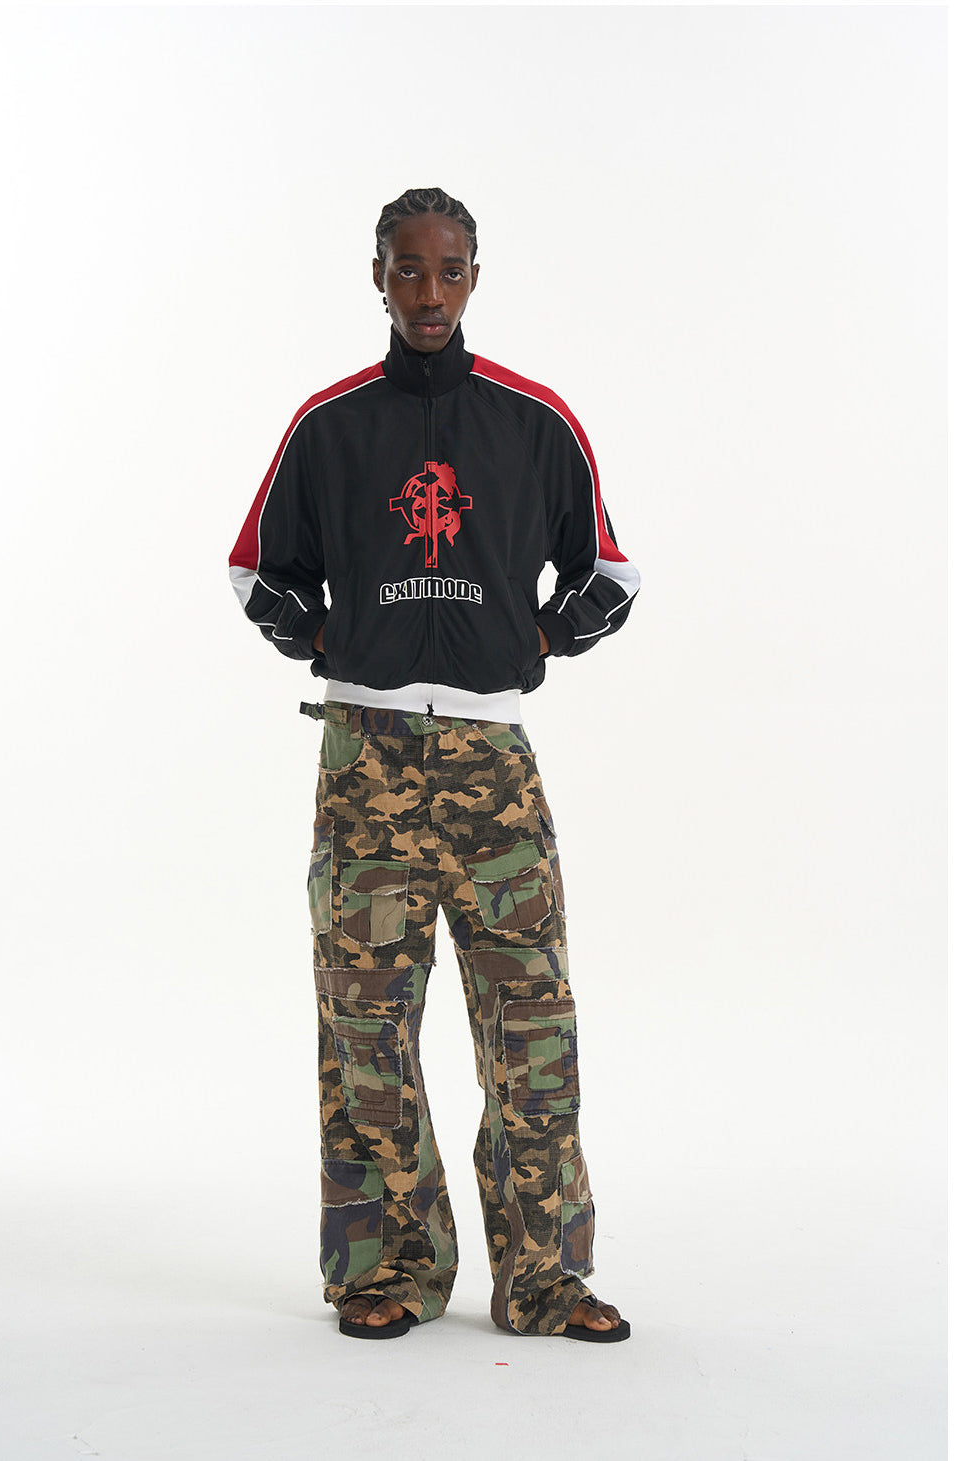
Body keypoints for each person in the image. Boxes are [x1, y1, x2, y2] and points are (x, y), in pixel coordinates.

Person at [228, 187, 640, 1342]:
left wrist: (535, 642)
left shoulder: (531, 420)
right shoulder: (329, 426)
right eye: (407, 269)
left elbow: (609, 573)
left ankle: (545, 1280)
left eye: (449, 270)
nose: (428, 292)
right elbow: (256, 569)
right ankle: (388, 1270)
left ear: (473, 278)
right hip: (364, 761)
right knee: (365, 1028)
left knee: (531, 1025)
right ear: (377, 276)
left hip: (489, 764)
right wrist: (332, 643)